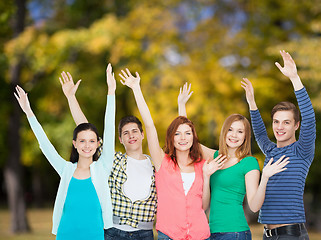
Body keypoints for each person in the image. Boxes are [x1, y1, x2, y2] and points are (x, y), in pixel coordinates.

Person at [13, 63, 116, 240]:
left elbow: (109, 127)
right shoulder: (66, 169)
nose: (87, 145)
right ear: (74, 144)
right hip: (65, 234)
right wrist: (28, 111)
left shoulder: (103, 167)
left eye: (92, 141)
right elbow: (45, 145)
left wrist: (111, 92)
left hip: (95, 235)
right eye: (82, 141)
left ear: (98, 144)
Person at [178, 84, 289, 240]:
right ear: (224, 132)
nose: (234, 135)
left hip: (235, 232)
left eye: (240, 131)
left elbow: (254, 205)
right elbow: (190, 142)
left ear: (245, 136)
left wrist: (265, 178)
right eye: (230, 129)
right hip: (211, 231)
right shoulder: (216, 157)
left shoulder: (248, 162)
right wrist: (181, 106)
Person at [118, 69, 216, 240]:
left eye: (187, 133)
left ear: (194, 136)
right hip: (169, 235)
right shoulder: (162, 162)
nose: (183, 138)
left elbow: (203, 206)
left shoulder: (201, 164)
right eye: (177, 134)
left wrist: (207, 177)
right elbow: (149, 126)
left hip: (201, 235)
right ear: (171, 138)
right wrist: (136, 89)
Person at [59, 68, 156, 240]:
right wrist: (71, 97)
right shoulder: (113, 160)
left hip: (145, 233)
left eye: (135, 131)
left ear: (142, 134)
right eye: (126, 133)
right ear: (120, 139)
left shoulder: (155, 164)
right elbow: (85, 129)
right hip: (113, 232)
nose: (131, 135)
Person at [241, 50, 316, 240]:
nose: (280, 127)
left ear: (296, 125)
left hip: (290, 234)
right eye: (276, 121)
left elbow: (310, 117)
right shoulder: (271, 151)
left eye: (286, 122)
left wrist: (295, 78)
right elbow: (258, 132)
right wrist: (251, 102)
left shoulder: (302, 150)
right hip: (268, 235)